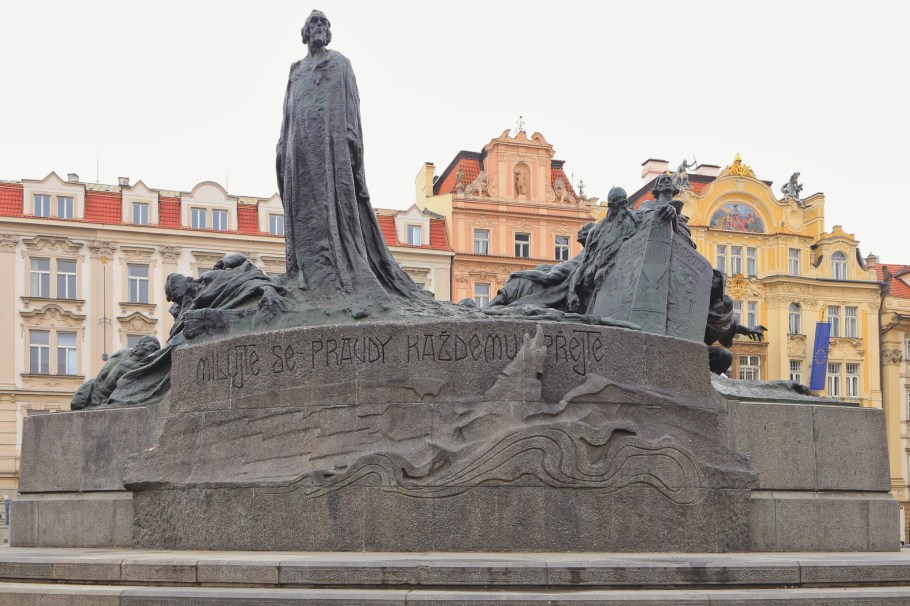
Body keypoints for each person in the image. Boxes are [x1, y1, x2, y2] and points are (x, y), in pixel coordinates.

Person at [276, 10, 425, 301]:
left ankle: (341, 276)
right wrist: (282, 147)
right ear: (305, 32)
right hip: (299, 151)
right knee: (304, 212)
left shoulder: (341, 64)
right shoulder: (295, 71)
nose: (319, 27)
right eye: (314, 23)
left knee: (338, 210)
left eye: (324, 23)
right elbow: (287, 114)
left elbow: (352, 106)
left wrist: (352, 143)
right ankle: (307, 276)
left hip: (331, 150)